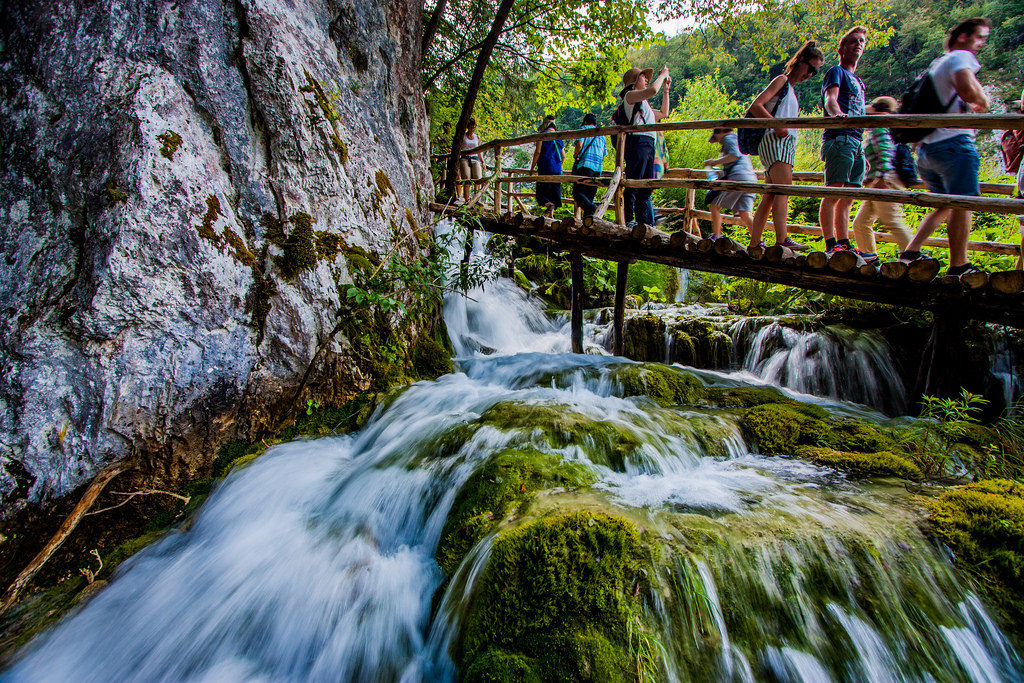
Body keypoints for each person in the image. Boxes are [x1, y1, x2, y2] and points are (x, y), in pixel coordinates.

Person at [900, 17, 991, 277]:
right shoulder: (960, 57)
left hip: (928, 149)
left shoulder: (937, 63)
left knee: (946, 203)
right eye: (979, 37)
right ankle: (959, 265)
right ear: (963, 37)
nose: (982, 43)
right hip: (954, 145)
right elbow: (969, 91)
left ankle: (911, 251)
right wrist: (982, 98)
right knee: (963, 203)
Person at [747, 41, 825, 251]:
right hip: (776, 141)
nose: (810, 74)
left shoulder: (790, 90)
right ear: (800, 61)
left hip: (781, 142)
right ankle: (782, 239)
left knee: (771, 194)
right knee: (783, 190)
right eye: (811, 69)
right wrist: (777, 125)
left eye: (815, 73)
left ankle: (755, 242)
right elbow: (755, 106)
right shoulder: (782, 80)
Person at [819, 26, 868, 254]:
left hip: (856, 141)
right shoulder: (836, 72)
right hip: (839, 137)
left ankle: (844, 242)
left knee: (848, 196)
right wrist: (836, 115)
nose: (858, 44)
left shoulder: (858, 80)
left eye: (861, 41)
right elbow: (831, 99)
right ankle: (831, 244)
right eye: (853, 41)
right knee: (834, 192)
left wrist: (863, 148)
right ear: (842, 48)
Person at [850, 96, 913, 262]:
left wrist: (881, 177)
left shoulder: (880, 129)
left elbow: (885, 154)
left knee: (892, 220)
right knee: (861, 223)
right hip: (876, 182)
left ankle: (913, 255)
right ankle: (870, 257)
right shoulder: (882, 129)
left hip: (884, 181)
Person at [621, 64, 672, 229]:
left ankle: (647, 224)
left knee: (645, 187)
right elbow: (652, 91)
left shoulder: (645, 105)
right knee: (633, 183)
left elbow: (664, 113)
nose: (647, 80)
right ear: (635, 81)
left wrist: (666, 89)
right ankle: (629, 220)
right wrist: (662, 75)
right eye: (644, 77)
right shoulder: (630, 96)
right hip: (638, 143)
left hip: (649, 144)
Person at [703, 128, 757, 240]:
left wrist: (714, 162)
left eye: (717, 135)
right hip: (750, 178)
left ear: (721, 132)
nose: (718, 140)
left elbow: (734, 156)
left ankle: (716, 236)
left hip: (737, 178)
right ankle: (757, 240)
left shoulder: (729, 138)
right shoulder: (737, 139)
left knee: (714, 205)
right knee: (745, 214)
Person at [572, 113, 607, 217]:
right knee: (589, 196)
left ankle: (594, 210)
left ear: (585, 121)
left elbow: (579, 144)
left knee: (577, 194)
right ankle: (588, 224)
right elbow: (604, 155)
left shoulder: (584, 129)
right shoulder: (602, 135)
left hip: (585, 165)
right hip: (597, 169)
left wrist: (576, 155)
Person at [530, 115, 563, 218]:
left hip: (545, 167)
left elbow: (538, 152)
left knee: (541, 194)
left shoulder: (542, 135)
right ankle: (551, 216)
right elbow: (563, 156)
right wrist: (558, 165)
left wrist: (532, 168)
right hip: (557, 168)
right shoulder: (559, 136)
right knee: (553, 192)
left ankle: (549, 205)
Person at [458, 118, 484, 202]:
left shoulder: (477, 137)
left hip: (475, 159)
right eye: (471, 127)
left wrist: (483, 161)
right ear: (467, 127)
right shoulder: (463, 136)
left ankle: (476, 199)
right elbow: (460, 149)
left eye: (474, 127)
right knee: (466, 178)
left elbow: (479, 151)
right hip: (465, 158)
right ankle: (467, 199)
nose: (472, 129)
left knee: (478, 178)